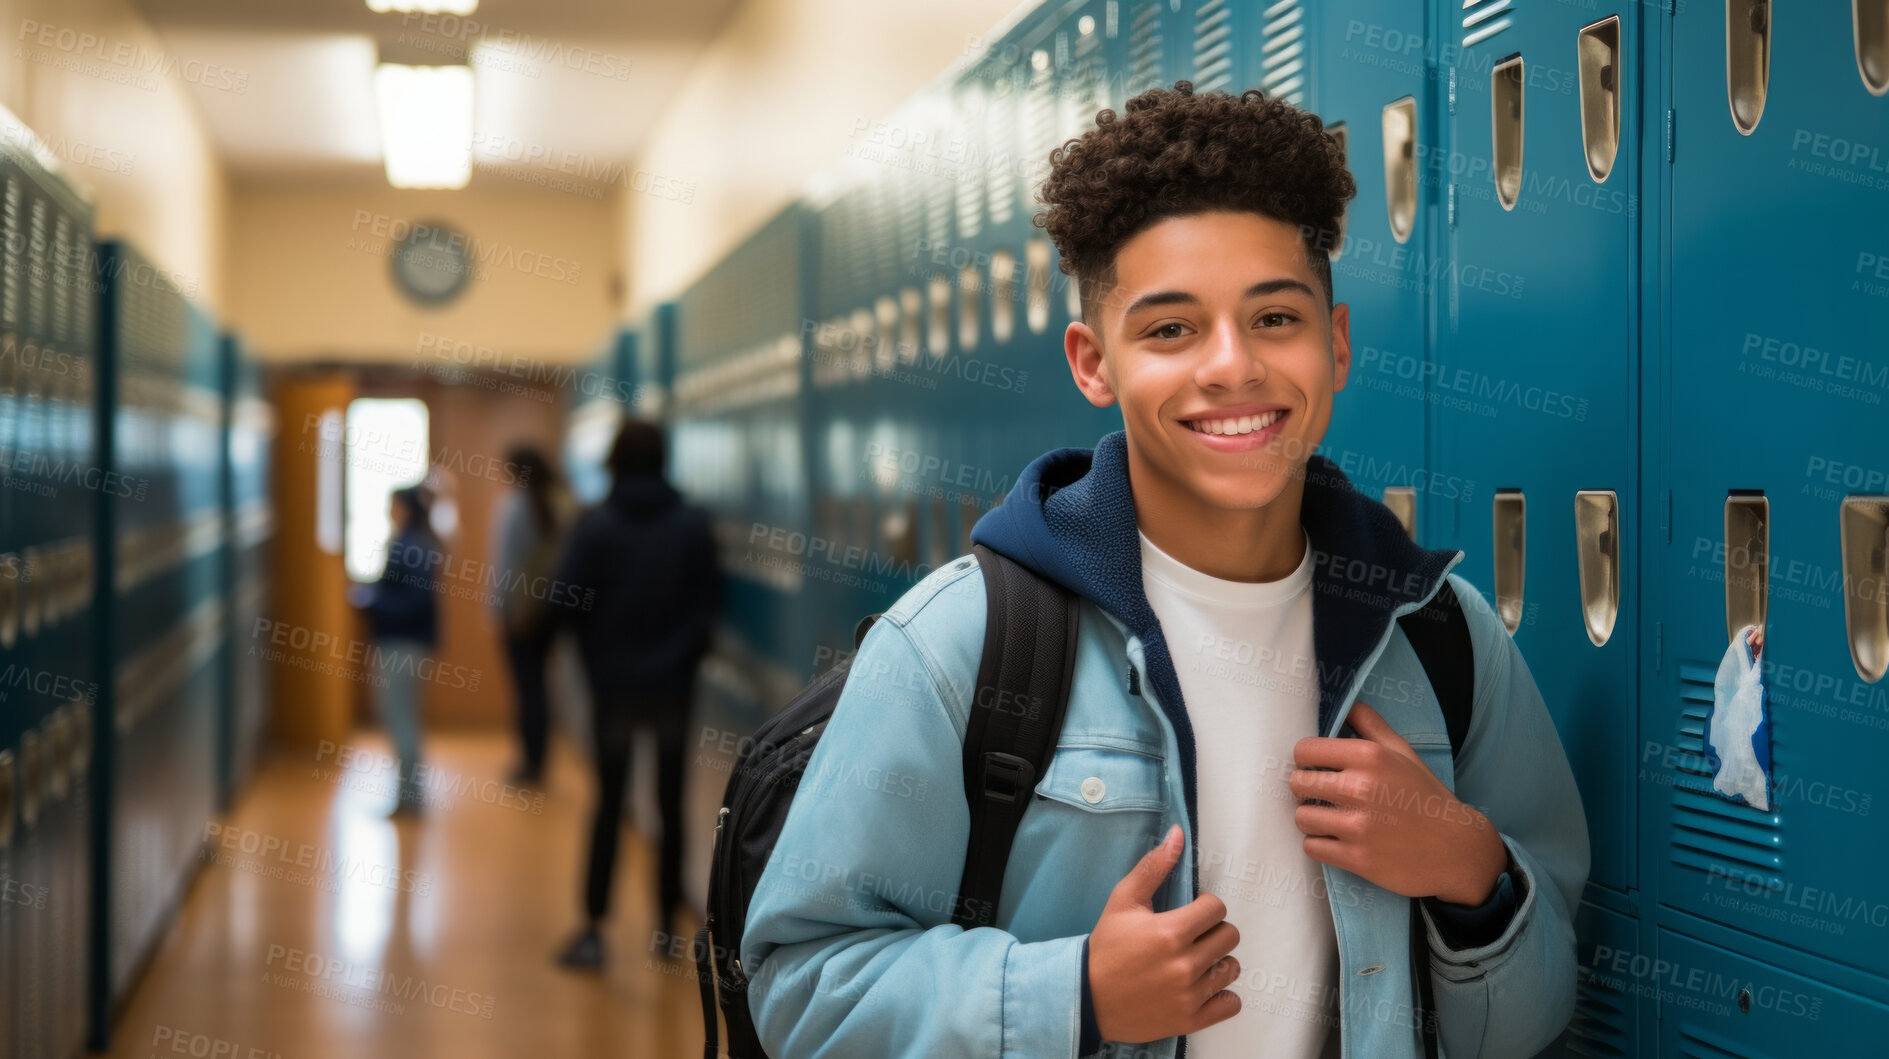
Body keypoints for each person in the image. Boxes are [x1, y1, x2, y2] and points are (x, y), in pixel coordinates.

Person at [742, 83, 1589, 1057]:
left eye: (1274, 318)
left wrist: (1471, 872)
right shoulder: (958, 645)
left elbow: (1532, 1016)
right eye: (1169, 329)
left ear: (1336, 342)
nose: (1231, 367)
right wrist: (1072, 997)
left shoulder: (1440, 637)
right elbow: (800, 988)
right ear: (1091, 361)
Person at [549, 419, 718, 970]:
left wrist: (596, 656)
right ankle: (667, 930)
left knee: (609, 805)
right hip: (672, 688)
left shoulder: (596, 527)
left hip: (614, 688)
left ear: (616, 460)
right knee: (671, 807)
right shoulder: (692, 525)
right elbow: (707, 607)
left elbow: (563, 601)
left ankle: (594, 931)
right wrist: (680, 657)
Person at [488, 443, 575, 785]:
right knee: (539, 686)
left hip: (519, 613)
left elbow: (507, 567)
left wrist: (500, 610)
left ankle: (530, 763)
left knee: (527, 689)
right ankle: (539, 760)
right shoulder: (559, 502)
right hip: (548, 613)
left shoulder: (513, 507)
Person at [360, 485, 442, 817]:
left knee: (399, 717)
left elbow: (415, 602)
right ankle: (410, 794)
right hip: (406, 641)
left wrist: (373, 603)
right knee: (404, 716)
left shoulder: (410, 546)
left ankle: (410, 798)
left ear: (404, 508)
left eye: (391, 505)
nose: (388, 511)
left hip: (402, 642)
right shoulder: (414, 542)